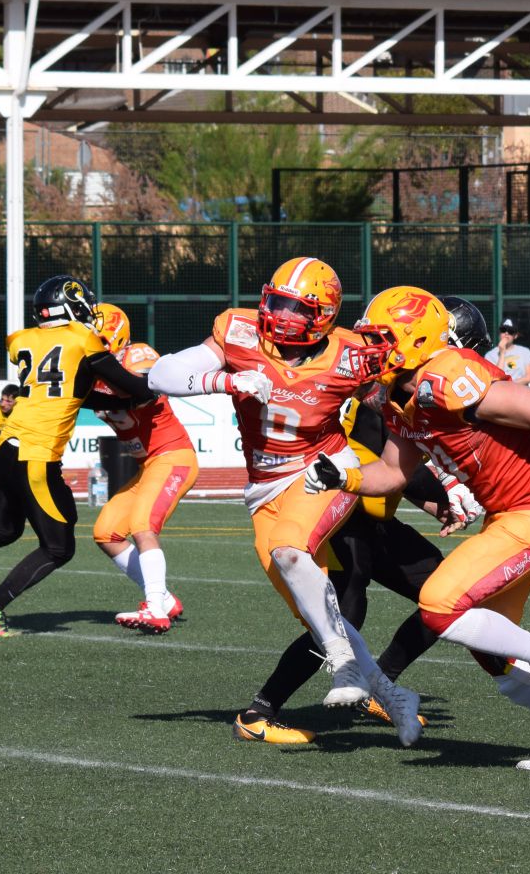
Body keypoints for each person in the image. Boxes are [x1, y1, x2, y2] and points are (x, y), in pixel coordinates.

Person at [313, 284, 530, 771]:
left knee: (437, 603)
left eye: (381, 339)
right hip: (506, 516)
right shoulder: (401, 397)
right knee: (491, 653)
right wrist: (344, 476)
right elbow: (392, 473)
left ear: (417, 340)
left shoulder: (451, 375)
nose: (371, 349)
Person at [146, 257, 423, 745]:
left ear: (324, 314)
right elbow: (161, 375)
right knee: (315, 613)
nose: (281, 315)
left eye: (298, 308)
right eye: (277, 302)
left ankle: (343, 664)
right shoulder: (239, 332)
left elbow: (403, 404)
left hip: (321, 469)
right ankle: (392, 696)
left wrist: (447, 476)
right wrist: (226, 380)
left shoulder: (353, 355)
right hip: (263, 489)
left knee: (291, 551)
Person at [0, 275, 152, 636]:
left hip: (5, 448)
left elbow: (74, 391)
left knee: (3, 529)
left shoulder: (22, 340)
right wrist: (160, 382)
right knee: (59, 547)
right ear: (71, 306)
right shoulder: (81, 338)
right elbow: (132, 387)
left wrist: (126, 398)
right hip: (35, 455)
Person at [88, 302, 200, 633]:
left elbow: (146, 389)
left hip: (173, 456)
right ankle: (163, 597)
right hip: (147, 466)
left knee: (142, 525)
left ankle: (154, 608)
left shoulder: (136, 355)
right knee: (106, 532)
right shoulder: (89, 376)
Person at [493, 317, 530, 384]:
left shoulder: (525, 351)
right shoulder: (490, 355)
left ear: (515, 336)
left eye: (510, 331)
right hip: (500, 390)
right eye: (503, 330)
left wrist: (510, 385)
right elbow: (497, 378)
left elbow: (529, 377)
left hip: (520, 389)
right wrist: (502, 353)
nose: (506, 333)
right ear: (499, 333)